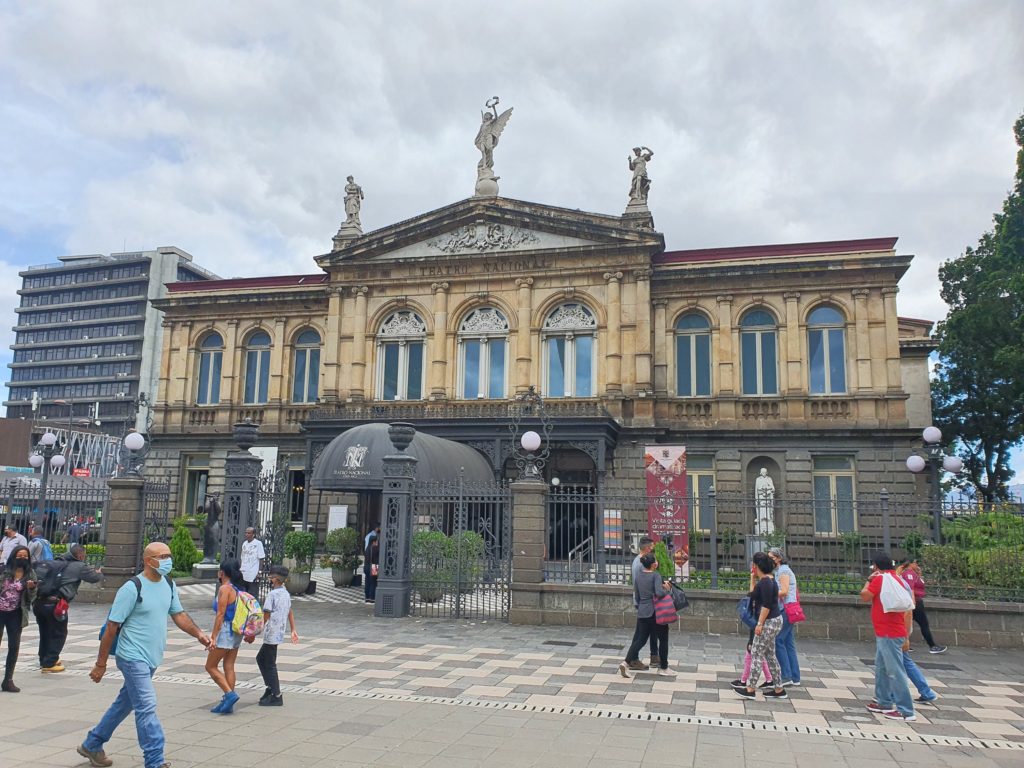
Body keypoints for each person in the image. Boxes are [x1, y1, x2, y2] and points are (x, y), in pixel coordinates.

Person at [79, 541, 210, 768]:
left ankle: (93, 743)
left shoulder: (168, 583)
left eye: (169, 555)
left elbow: (178, 613)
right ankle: (155, 761)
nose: (168, 560)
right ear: (148, 560)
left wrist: (198, 633)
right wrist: (100, 664)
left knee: (125, 703)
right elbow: (111, 627)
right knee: (147, 705)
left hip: (152, 656)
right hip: (132, 656)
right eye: (162, 556)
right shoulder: (132, 588)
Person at [860, 551, 916, 722]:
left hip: (888, 633)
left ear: (876, 566)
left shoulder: (880, 579)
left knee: (895, 671)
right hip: (893, 631)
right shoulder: (898, 579)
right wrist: (906, 635)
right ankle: (883, 702)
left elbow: (864, 596)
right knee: (882, 668)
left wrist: (869, 579)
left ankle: (905, 710)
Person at [33, 543, 103, 672]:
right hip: (56, 604)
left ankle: (44, 659)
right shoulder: (79, 566)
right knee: (59, 633)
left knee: (45, 632)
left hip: (39, 603)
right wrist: (99, 573)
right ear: (81, 555)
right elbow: (94, 578)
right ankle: (50, 663)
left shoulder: (56, 562)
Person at [735, 552, 787, 700]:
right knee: (770, 655)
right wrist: (752, 578)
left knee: (756, 654)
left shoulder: (766, 583)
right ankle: (779, 689)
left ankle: (750, 688)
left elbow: (766, 605)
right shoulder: (769, 580)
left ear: (756, 566)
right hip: (774, 621)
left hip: (768, 622)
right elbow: (753, 595)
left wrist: (759, 624)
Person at [618, 553, 674, 678]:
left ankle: (626, 663)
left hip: (643, 611)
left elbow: (637, 596)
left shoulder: (638, 576)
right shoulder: (656, 575)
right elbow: (659, 593)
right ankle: (664, 668)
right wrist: (667, 588)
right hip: (656, 612)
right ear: (654, 564)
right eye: (656, 561)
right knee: (663, 639)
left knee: (640, 640)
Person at [205, 558, 245, 714]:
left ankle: (229, 695)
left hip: (226, 630)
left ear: (221, 572)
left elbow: (220, 614)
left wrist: (213, 637)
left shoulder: (224, 589)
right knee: (229, 666)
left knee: (210, 666)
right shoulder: (236, 588)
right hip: (236, 631)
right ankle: (229, 701)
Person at [257, 565, 299, 706]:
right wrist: (293, 629)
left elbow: (266, 615)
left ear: (276, 579)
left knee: (269, 663)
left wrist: (256, 630)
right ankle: (270, 688)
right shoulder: (285, 594)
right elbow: (290, 612)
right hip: (279, 631)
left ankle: (276, 694)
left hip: (271, 633)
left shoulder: (272, 595)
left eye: (271, 577)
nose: (269, 579)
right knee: (262, 659)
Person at [0, 545, 37, 693]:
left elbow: (31, 598)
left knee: (14, 646)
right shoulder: (4, 570)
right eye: (19, 555)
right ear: (14, 556)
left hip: (16, 613)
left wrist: (31, 588)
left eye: (25, 556)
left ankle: (8, 680)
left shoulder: (30, 574)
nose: (22, 558)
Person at [898, 558, 946, 654]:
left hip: (914, 601)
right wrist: (913, 602)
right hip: (915, 601)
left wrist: (919, 574)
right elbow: (910, 588)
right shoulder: (909, 574)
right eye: (916, 563)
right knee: (923, 624)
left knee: (905, 624)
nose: (917, 565)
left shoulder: (912, 573)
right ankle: (932, 645)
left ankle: (903, 644)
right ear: (910, 563)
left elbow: (917, 585)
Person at [769, 547, 801, 687]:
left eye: (772, 557)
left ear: (779, 558)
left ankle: (786, 675)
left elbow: (784, 591)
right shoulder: (781, 570)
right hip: (790, 608)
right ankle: (795, 676)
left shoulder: (783, 571)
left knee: (778, 640)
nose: (770, 559)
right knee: (788, 643)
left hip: (786, 609)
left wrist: (770, 593)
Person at [627, 536, 658, 670]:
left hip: (643, 602)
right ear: (646, 548)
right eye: (652, 547)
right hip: (644, 603)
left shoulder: (638, 560)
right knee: (640, 635)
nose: (653, 549)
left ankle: (654, 656)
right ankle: (631, 659)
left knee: (652, 631)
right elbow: (642, 584)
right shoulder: (641, 563)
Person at [240, 528, 266, 594]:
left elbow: (261, 558)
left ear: (253, 534)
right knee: (244, 594)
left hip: (253, 574)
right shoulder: (244, 544)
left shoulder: (258, 544)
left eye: (249, 533)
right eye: (246, 532)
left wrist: (259, 572)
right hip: (244, 573)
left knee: (252, 594)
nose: (246, 534)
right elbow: (242, 558)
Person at [363, 536, 380, 603]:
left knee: (367, 582)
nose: (377, 543)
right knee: (373, 582)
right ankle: (372, 598)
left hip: (366, 566)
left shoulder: (367, 548)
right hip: (373, 567)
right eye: (376, 541)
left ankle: (367, 597)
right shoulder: (375, 548)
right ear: (374, 541)